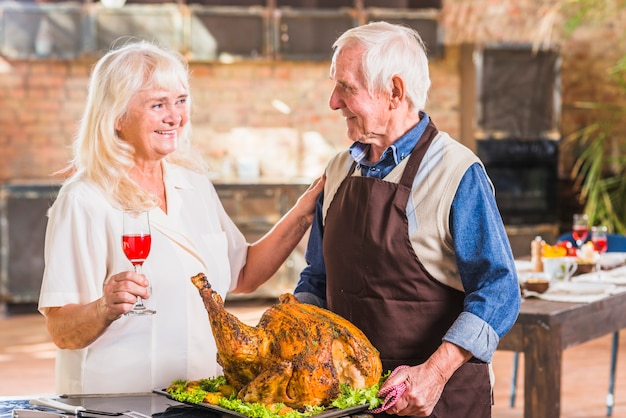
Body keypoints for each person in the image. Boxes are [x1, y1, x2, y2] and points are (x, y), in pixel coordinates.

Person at [38, 40, 324, 395]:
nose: (175, 116)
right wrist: (103, 308)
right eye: (158, 104)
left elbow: (245, 273)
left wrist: (303, 212)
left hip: (200, 397)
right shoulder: (85, 198)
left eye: (181, 101)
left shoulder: (193, 183)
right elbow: (61, 329)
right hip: (117, 403)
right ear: (117, 117)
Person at [294, 21, 521, 417]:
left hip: (437, 400)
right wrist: (290, 331)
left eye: (346, 87)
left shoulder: (457, 172)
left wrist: (433, 373)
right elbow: (317, 278)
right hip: (345, 403)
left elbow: (499, 290)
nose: (333, 101)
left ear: (394, 92)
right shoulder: (336, 172)